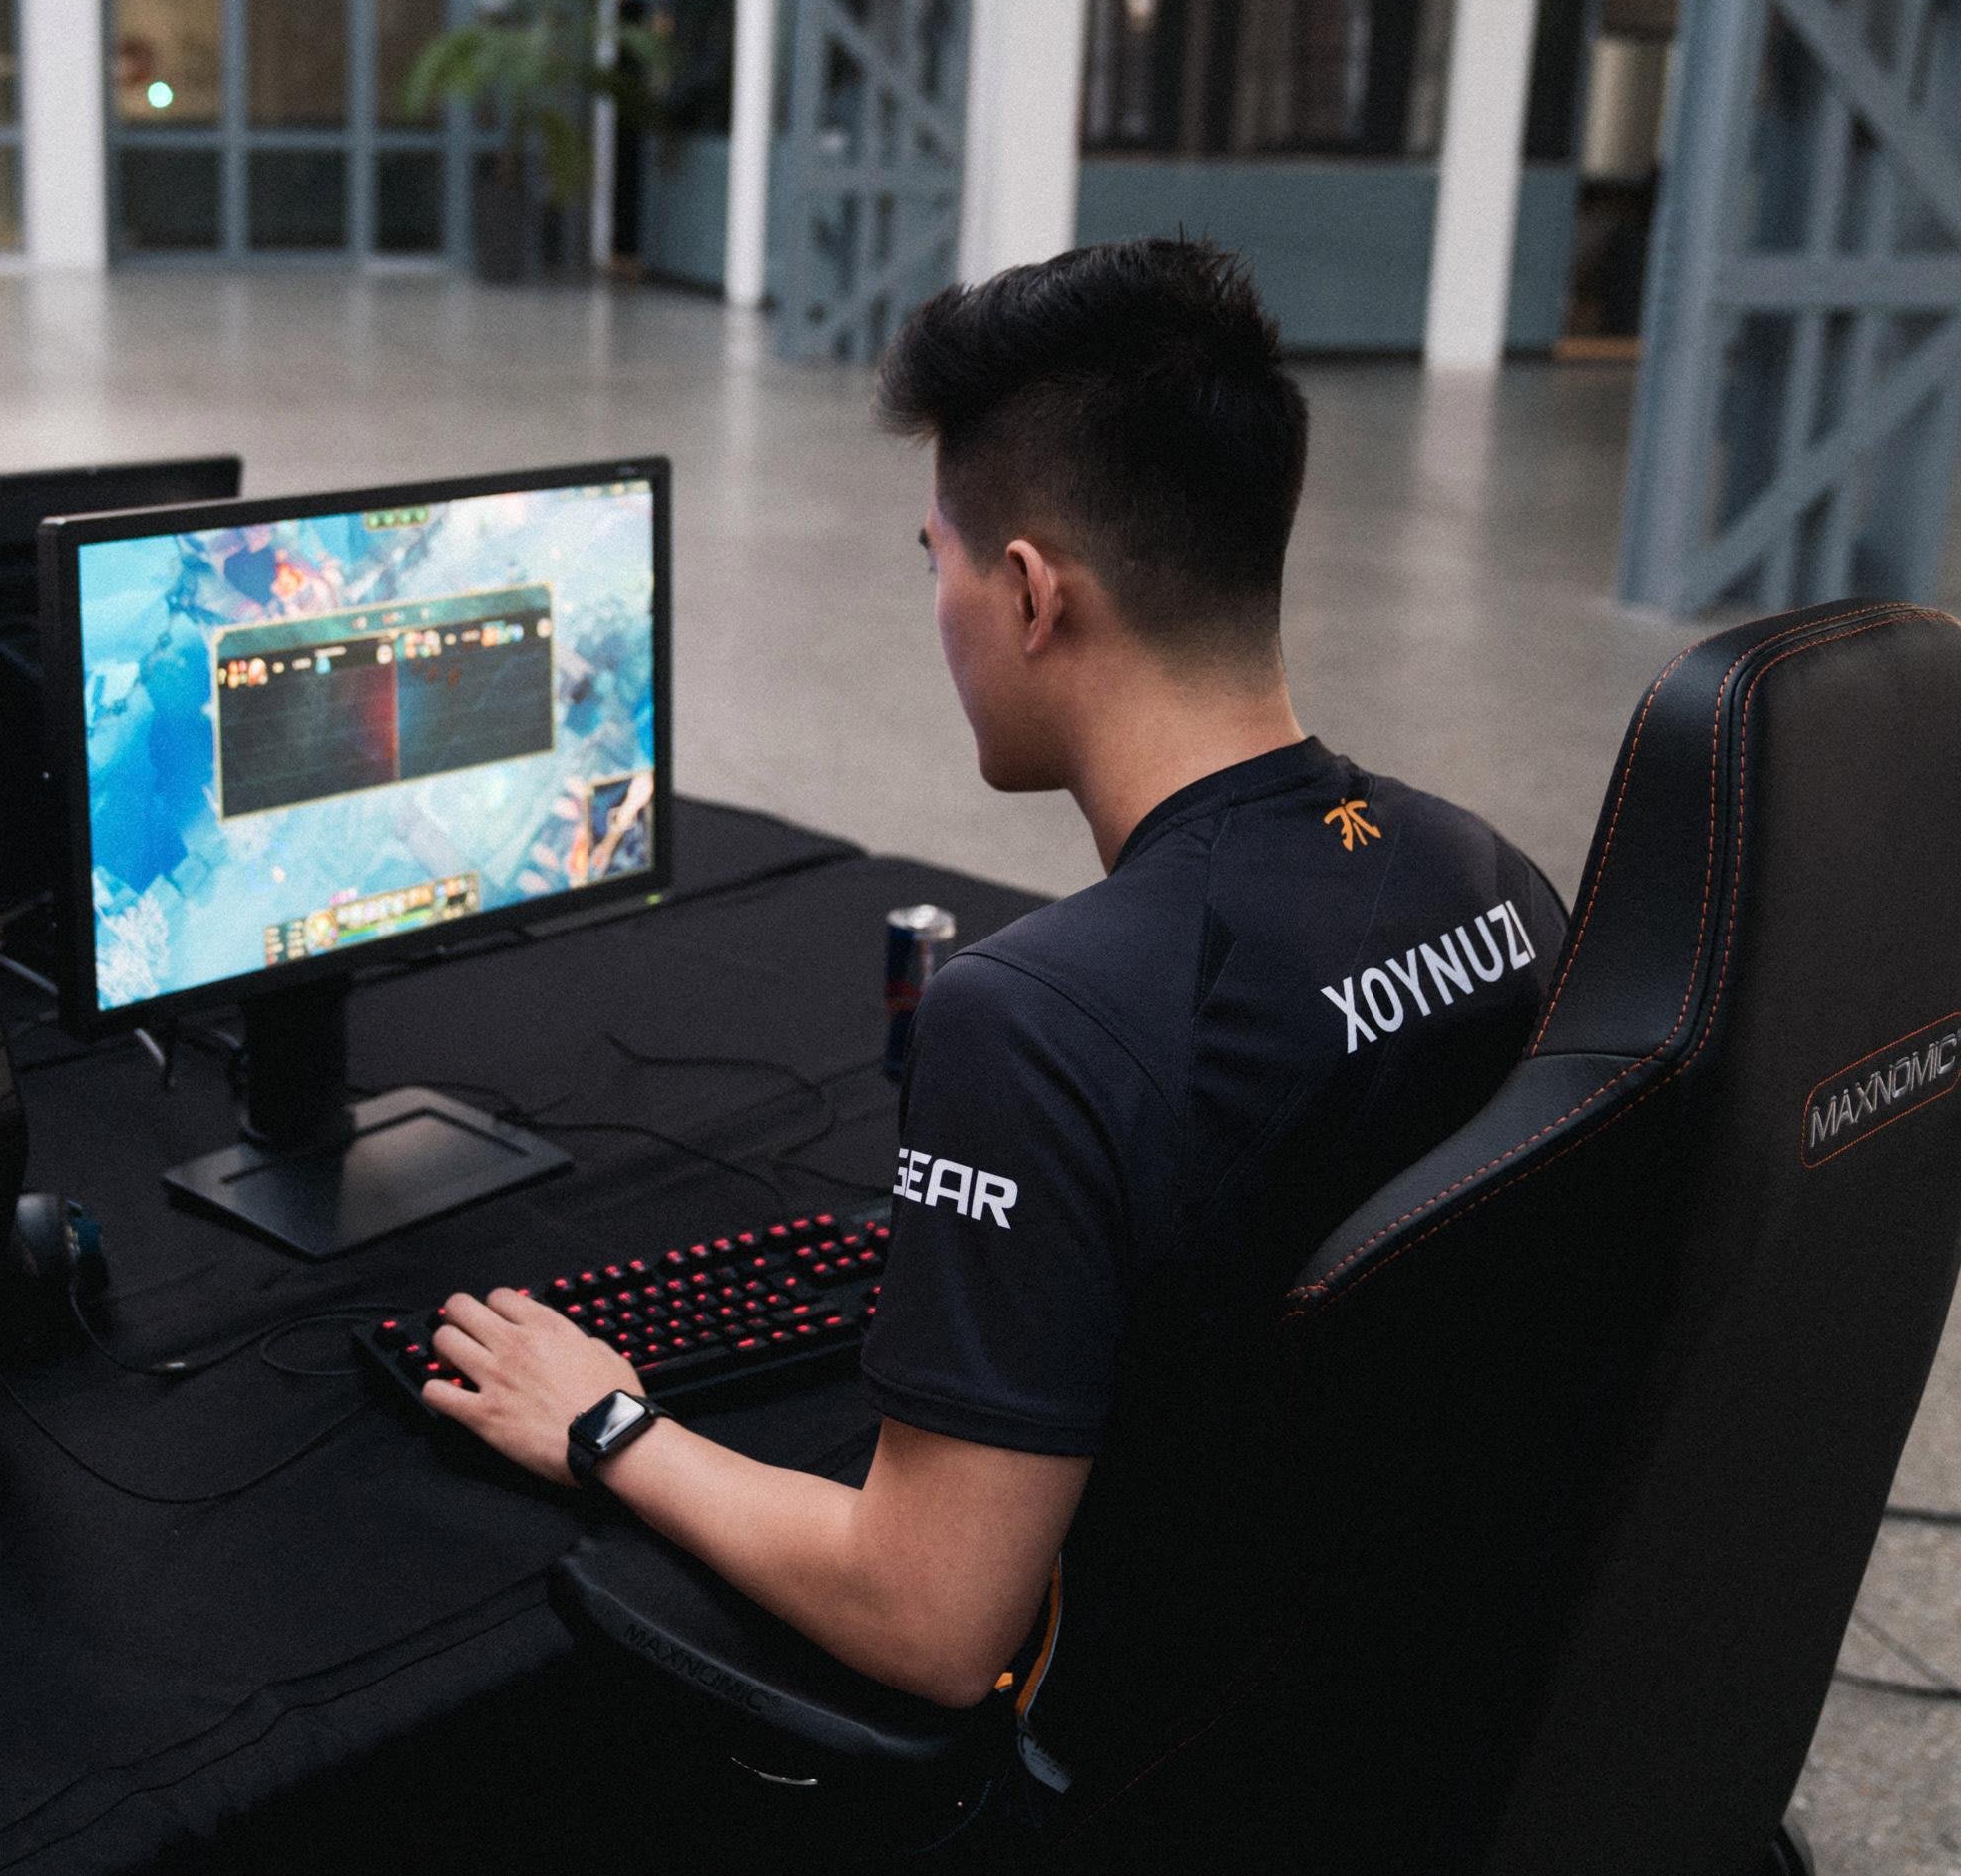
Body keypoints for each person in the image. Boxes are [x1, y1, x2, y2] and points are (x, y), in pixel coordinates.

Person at [419, 240, 1571, 1828]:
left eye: (937, 563)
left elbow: (931, 1620)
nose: (939, 608)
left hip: (1161, 1773)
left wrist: (608, 1423)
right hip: (1414, 1715)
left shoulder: (1035, 1023)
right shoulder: (1491, 874)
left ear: (1030, 593)